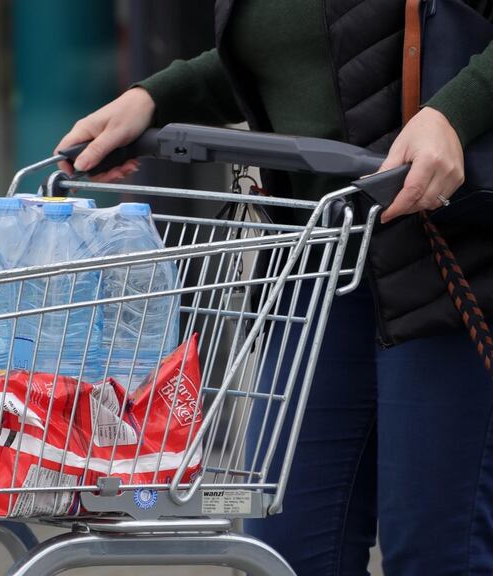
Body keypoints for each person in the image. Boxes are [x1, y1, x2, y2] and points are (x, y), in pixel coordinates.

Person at [56, 2, 493, 575]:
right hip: (318, 265)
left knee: (436, 552)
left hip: (445, 257)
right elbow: (296, 54)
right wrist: (152, 99)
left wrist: (452, 114)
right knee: (288, 550)